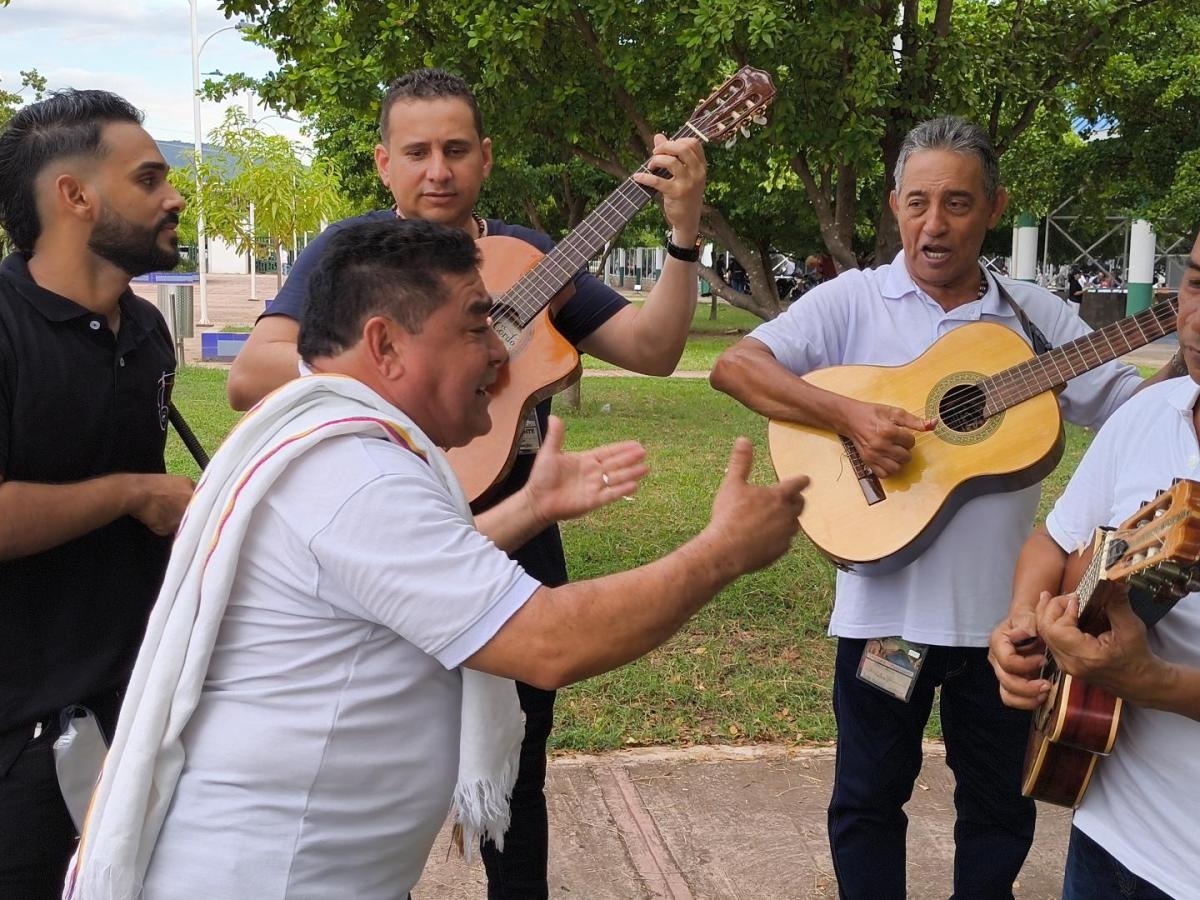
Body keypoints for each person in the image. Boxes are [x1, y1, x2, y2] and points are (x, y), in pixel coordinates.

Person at [69, 218, 810, 900]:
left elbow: (395, 584)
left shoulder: (342, 447)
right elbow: (551, 641)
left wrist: (529, 507)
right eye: (477, 326)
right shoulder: (356, 476)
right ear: (386, 345)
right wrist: (722, 552)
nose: (500, 351)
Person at [225, 66, 707, 898]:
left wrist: (684, 233)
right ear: (383, 163)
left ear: (485, 156)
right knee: (367, 767)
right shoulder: (349, 255)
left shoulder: (529, 258)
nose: (437, 170)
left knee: (516, 779)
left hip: (518, 535)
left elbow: (655, 349)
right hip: (385, 537)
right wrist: (411, 364)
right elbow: (251, 374)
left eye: (455, 150)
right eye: (416, 152)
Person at [710, 116, 1179, 899]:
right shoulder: (853, 300)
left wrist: (1188, 343)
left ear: (994, 208)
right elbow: (736, 367)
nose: (935, 224)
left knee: (998, 810)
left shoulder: (1033, 318)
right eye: (918, 202)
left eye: (958, 203)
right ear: (894, 205)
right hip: (885, 621)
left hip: (1005, 629)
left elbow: (1140, 414)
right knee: (867, 801)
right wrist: (849, 415)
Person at [0, 89, 195, 899]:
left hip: (139, 710)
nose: (174, 196)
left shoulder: (145, 330)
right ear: (74, 196)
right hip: (20, 740)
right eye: (149, 179)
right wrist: (130, 494)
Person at [989, 229, 1200, 900]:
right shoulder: (1151, 413)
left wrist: (1152, 681)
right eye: (1197, 283)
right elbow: (1054, 543)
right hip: (1107, 828)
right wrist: (1024, 625)